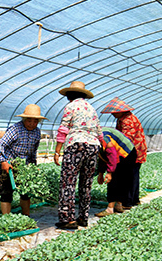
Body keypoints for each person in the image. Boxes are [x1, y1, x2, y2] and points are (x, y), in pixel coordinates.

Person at [53, 81, 102, 230]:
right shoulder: (91, 109)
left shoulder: (71, 106)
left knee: (68, 182)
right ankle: (83, 217)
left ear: (69, 95)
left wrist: (57, 151)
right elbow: (99, 132)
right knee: (86, 183)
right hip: (93, 146)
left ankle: (68, 219)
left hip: (76, 145)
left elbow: (63, 129)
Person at [0, 104, 46, 216]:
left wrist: (33, 167)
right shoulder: (15, 129)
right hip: (8, 165)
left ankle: (26, 217)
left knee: (26, 193)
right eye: (29, 121)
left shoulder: (37, 132)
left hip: (24, 167)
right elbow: (0, 146)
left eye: (35, 121)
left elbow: (33, 152)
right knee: (6, 194)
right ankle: (7, 219)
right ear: (24, 119)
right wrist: (3, 161)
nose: (32, 124)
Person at [100, 97, 147, 209]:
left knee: (129, 176)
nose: (112, 114)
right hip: (134, 151)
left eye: (114, 112)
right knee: (133, 176)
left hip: (133, 151)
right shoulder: (123, 118)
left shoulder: (127, 121)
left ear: (121, 111)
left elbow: (127, 140)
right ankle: (134, 200)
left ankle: (128, 202)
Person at [95, 127, 135, 217]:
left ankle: (110, 208)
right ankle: (118, 205)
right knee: (119, 178)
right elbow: (102, 156)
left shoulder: (103, 138)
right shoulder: (95, 138)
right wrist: (100, 173)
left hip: (127, 152)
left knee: (116, 179)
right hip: (118, 153)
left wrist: (109, 172)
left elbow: (112, 156)